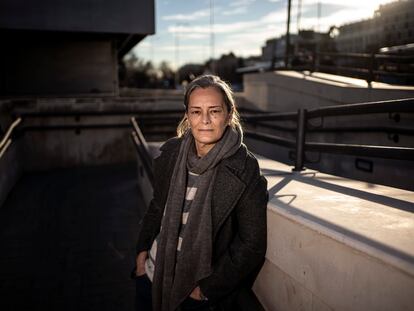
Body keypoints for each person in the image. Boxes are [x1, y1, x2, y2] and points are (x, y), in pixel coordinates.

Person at [133, 75, 268, 311]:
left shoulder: (244, 167)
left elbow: (251, 244)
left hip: (195, 294)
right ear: (187, 115)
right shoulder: (172, 152)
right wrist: (141, 254)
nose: (205, 120)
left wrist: (206, 289)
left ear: (229, 114)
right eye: (196, 111)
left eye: (214, 111)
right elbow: (157, 206)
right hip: (152, 275)